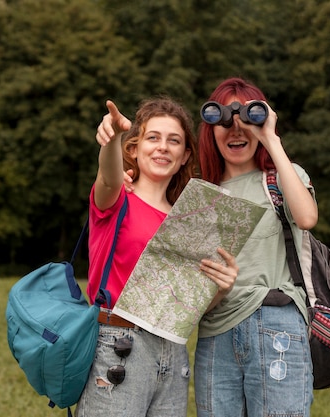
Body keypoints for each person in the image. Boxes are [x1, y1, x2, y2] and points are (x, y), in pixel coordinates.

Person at [75, 97, 239, 417]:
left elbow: (186, 307)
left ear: (184, 156)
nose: (163, 147)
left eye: (173, 141)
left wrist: (222, 287)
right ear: (134, 148)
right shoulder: (117, 198)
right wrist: (113, 139)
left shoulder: (190, 224)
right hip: (119, 345)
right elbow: (108, 176)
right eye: (153, 137)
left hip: (172, 352)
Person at [193, 77, 318, 417]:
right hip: (215, 332)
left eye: (247, 119)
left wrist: (271, 140)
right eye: (225, 121)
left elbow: (306, 218)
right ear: (211, 127)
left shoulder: (281, 178)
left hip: (276, 321)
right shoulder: (201, 195)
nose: (236, 130)